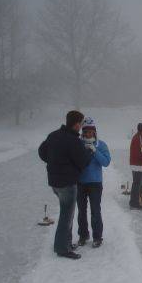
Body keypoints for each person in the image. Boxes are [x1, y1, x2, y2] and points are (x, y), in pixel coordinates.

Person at [38, 110, 92, 260]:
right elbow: (83, 162)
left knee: (66, 212)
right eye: (81, 123)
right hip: (67, 183)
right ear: (76, 124)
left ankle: (66, 243)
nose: (81, 126)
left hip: (54, 183)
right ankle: (62, 248)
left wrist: (53, 162)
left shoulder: (54, 135)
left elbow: (42, 152)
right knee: (66, 215)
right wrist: (90, 152)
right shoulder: (73, 141)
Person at [77, 117, 111, 248]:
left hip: (95, 183)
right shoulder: (78, 144)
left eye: (91, 131)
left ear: (95, 132)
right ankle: (83, 235)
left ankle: (97, 237)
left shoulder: (101, 145)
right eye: (86, 131)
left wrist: (95, 151)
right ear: (83, 132)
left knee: (95, 210)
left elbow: (106, 162)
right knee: (81, 211)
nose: (88, 134)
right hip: (80, 182)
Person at [129, 123, 142, 210]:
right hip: (137, 164)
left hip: (138, 164)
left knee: (137, 184)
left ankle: (134, 201)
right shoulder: (138, 138)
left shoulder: (140, 137)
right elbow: (140, 152)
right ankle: (134, 203)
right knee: (137, 184)